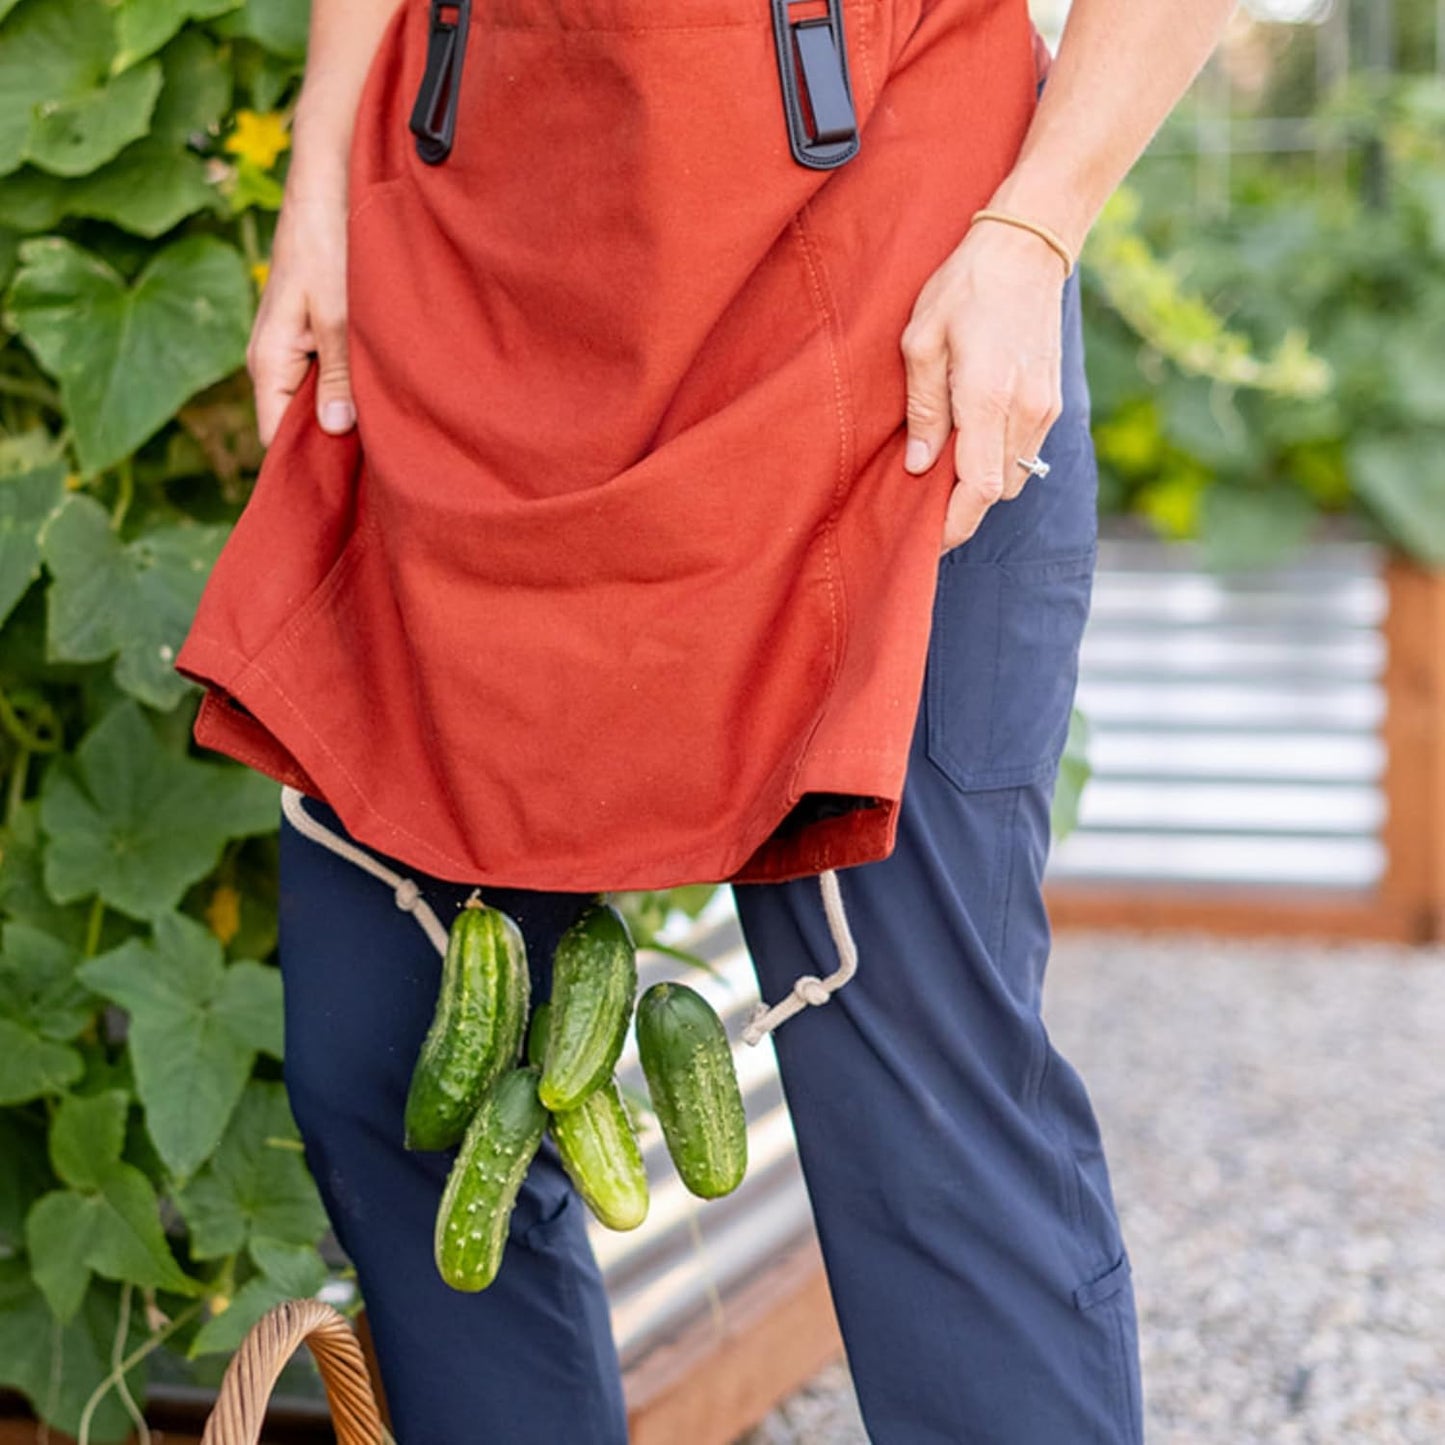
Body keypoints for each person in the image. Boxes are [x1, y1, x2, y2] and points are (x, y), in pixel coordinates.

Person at [178, 0, 1238, 1439]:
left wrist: (1033, 231)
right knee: (392, 1048)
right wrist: (315, 195)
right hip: (477, 281)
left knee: (913, 1094)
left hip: (887, 288)